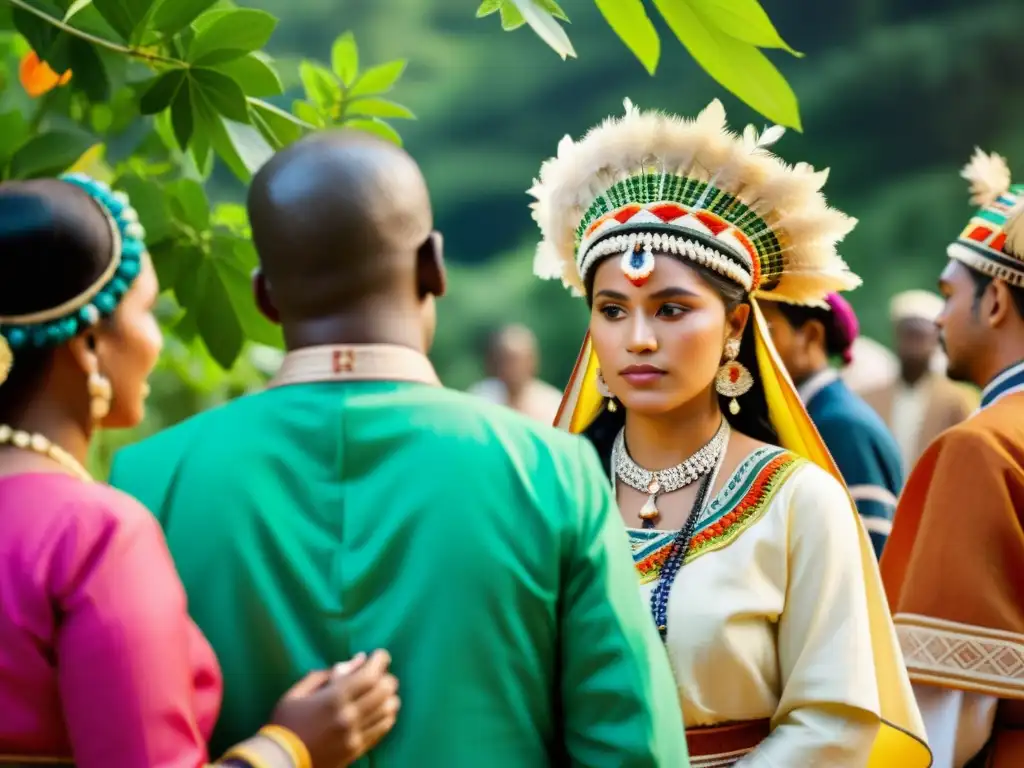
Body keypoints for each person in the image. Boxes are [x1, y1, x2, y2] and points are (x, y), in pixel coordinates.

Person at [108, 131, 690, 766]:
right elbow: (631, 747)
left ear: (264, 295)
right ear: (432, 266)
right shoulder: (554, 471)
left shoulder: (148, 479)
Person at [529, 98, 932, 766]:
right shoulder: (549, 499)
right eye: (612, 309)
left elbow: (833, 721)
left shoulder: (800, 502)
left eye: (672, 308)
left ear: (738, 327)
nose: (638, 338)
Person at [0, 176, 399, 767]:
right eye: (147, 312)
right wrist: (288, 749)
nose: (155, 341)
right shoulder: (94, 534)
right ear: (89, 346)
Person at [880, 148, 1024, 767]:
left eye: (947, 294)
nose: (937, 317)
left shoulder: (981, 446)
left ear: (994, 301)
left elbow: (941, 713)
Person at [759, 292, 903, 556]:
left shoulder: (840, 426)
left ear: (811, 336)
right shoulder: (820, 416)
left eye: (762, 330)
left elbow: (868, 558)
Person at [861, 289, 977, 468]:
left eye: (920, 337)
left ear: (935, 341)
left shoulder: (956, 399)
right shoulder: (871, 398)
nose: (913, 345)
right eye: (908, 335)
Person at [467, 323, 563, 423]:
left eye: (516, 360)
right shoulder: (480, 397)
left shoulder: (552, 405)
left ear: (532, 361)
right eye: (504, 359)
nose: (510, 367)